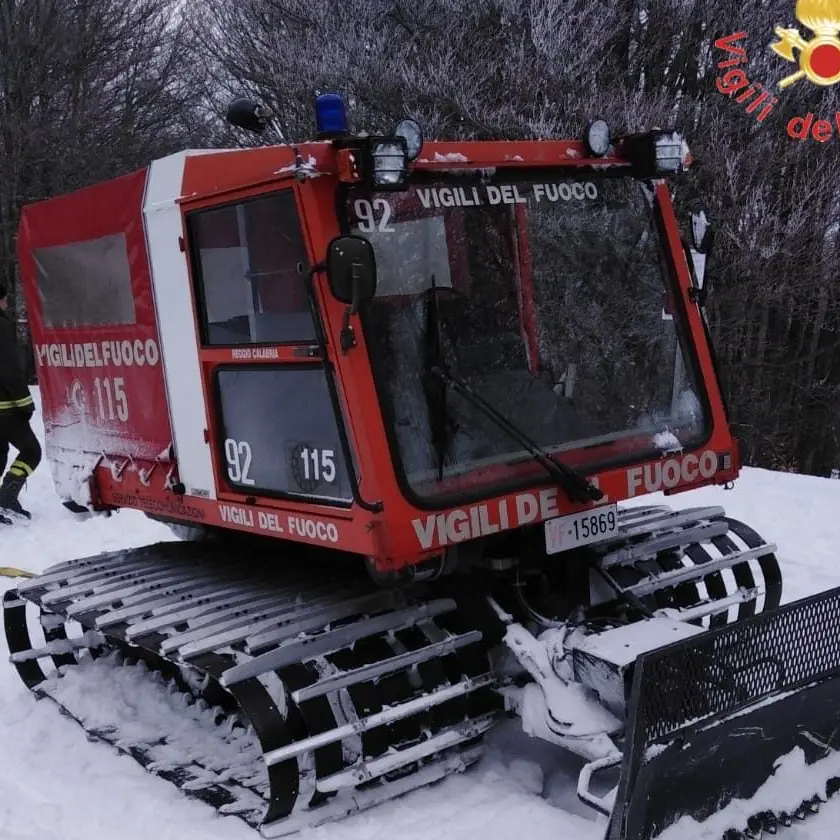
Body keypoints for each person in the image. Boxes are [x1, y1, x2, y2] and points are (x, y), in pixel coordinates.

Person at [0, 282, 40, 521]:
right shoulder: (1, 327)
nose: (5, 303)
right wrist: (25, 403)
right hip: (5, 408)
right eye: (4, 299)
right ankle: (7, 495)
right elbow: (9, 369)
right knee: (31, 451)